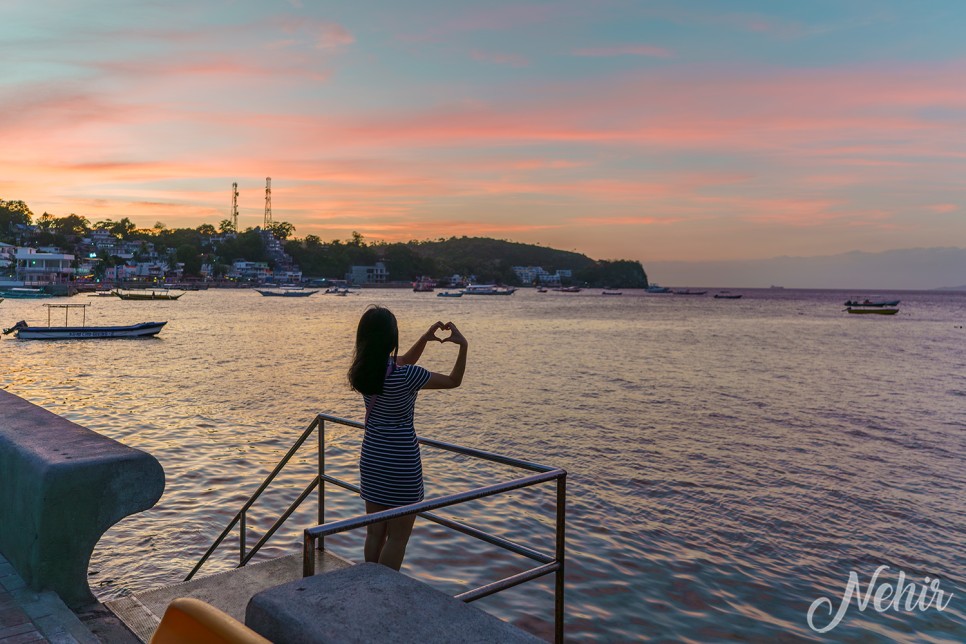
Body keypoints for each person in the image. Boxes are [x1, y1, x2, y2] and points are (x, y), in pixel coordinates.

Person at [348, 306, 468, 570]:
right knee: (398, 537)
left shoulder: (364, 370)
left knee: (374, 533)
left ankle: (371, 580)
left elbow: (401, 361)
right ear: (392, 338)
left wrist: (425, 338)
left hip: (372, 457)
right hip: (401, 461)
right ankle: (386, 589)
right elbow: (452, 381)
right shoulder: (409, 376)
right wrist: (463, 346)